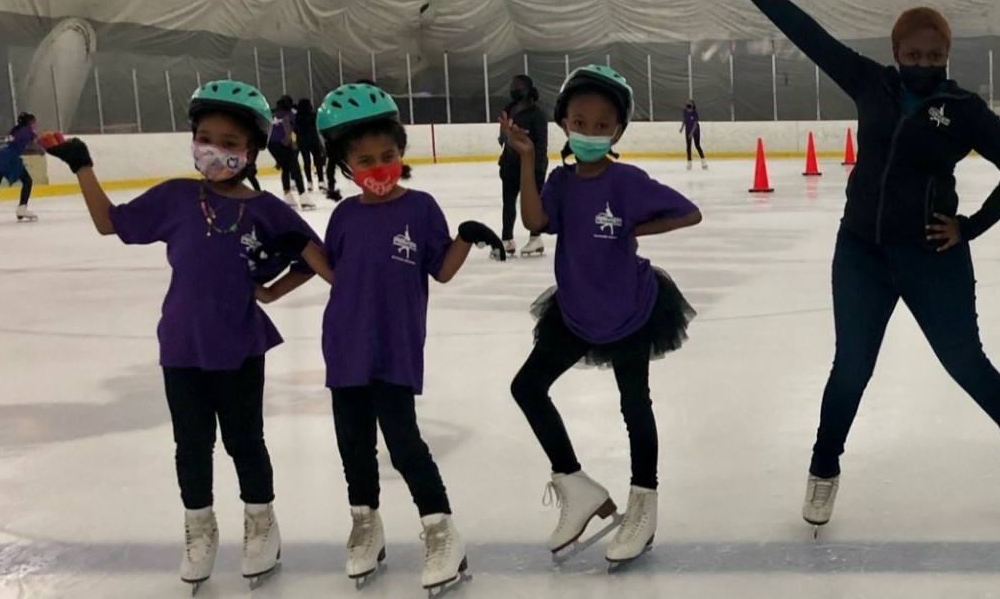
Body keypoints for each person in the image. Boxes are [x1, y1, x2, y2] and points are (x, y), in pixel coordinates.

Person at [716, 0, 1000, 530]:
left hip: (933, 258)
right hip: (861, 255)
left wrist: (968, 226)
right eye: (913, 54)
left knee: (965, 363)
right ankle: (824, 470)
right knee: (850, 366)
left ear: (946, 55)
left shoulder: (964, 111)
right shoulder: (869, 81)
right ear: (896, 52)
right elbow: (805, 31)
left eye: (933, 55)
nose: (923, 63)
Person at [43, 80, 323, 589]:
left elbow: (315, 256)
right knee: (191, 445)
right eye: (206, 137)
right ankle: (199, 527)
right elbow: (111, 224)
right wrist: (82, 165)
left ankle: (261, 524)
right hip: (181, 344)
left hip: (239, 343)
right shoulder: (176, 197)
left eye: (231, 143)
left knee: (245, 441)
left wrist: (275, 292)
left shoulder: (267, 210)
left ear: (252, 150)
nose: (216, 150)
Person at [301, 82, 504, 591]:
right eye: (365, 160)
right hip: (345, 342)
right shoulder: (345, 215)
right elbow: (337, 273)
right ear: (347, 165)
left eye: (387, 156)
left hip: (394, 345)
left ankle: (441, 530)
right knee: (353, 445)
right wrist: (302, 248)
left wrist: (465, 237)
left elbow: (441, 270)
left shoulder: (421, 208)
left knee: (404, 443)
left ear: (401, 153)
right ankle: (365, 524)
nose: (378, 168)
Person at [501, 64, 701, 566]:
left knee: (635, 405)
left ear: (618, 130)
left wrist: (634, 231)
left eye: (602, 124)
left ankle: (644, 503)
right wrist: (527, 160)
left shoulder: (627, 180)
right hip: (575, 309)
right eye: (581, 122)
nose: (590, 132)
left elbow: (688, 212)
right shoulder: (563, 182)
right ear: (565, 124)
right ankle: (576, 484)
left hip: (631, 308)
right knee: (527, 387)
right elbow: (535, 222)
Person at [500, 74, 549, 257]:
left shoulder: (537, 115)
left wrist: (538, 167)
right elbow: (504, 137)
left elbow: (541, 144)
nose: (513, 89)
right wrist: (505, 135)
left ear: (527, 89)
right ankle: (507, 239)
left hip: (532, 167)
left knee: (532, 203)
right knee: (508, 202)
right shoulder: (509, 108)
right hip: (510, 164)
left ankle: (536, 238)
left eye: (517, 86)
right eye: (512, 85)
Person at [268, 96, 312, 210]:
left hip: (271, 145)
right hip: (283, 142)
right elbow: (287, 126)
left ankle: (288, 196)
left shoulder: (272, 114)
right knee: (295, 170)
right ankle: (303, 198)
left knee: (285, 169)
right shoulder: (289, 114)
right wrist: (289, 142)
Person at [295, 97, 338, 202]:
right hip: (313, 140)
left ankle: (309, 182)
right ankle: (321, 181)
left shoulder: (297, 117)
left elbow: (295, 129)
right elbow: (318, 127)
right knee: (317, 161)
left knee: (306, 161)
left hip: (302, 141)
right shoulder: (313, 115)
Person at [680, 99, 708, 170]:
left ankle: (703, 162)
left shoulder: (695, 113)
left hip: (695, 131)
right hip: (687, 130)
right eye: (687, 103)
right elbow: (684, 120)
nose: (687, 104)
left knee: (697, 145)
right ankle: (689, 162)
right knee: (688, 147)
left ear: (692, 105)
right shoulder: (685, 111)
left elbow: (695, 123)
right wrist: (682, 128)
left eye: (689, 103)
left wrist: (692, 133)